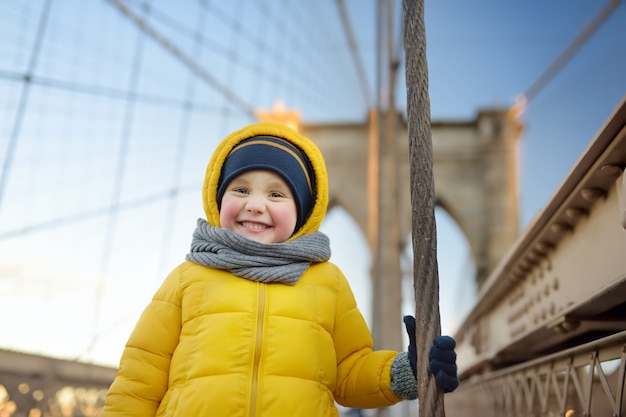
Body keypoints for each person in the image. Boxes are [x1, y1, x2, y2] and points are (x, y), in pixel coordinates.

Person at [100, 122, 459, 417]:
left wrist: (405, 371)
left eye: (276, 195)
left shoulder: (326, 281)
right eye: (240, 189)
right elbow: (138, 380)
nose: (255, 205)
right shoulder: (188, 277)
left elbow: (348, 373)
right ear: (218, 198)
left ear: (302, 211)